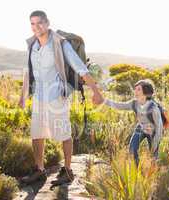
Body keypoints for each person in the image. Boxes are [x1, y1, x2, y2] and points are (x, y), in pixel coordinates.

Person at [18, 10, 103, 185]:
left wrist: (96, 91)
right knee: (37, 133)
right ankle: (39, 170)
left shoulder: (60, 43)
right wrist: (23, 95)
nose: (36, 27)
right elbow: (28, 71)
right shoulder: (32, 44)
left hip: (57, 96)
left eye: (39, 23)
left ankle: (68, 171)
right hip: (39, 96)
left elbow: (80, 67)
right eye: (32, 24)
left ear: (47, 23)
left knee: (63, 133)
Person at [103, 79, 163, 165]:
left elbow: (159, 127)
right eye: (135, 89)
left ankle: (153, 173)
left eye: (138, 89)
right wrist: (104, 101)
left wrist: (155, 144)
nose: (135, 91)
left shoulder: (153, 108)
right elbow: (119, 105)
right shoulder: (134, 103)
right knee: (132, 149)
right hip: (141, 127)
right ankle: (137, 169)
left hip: (153, 130)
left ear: (145, 91)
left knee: (153, 157)